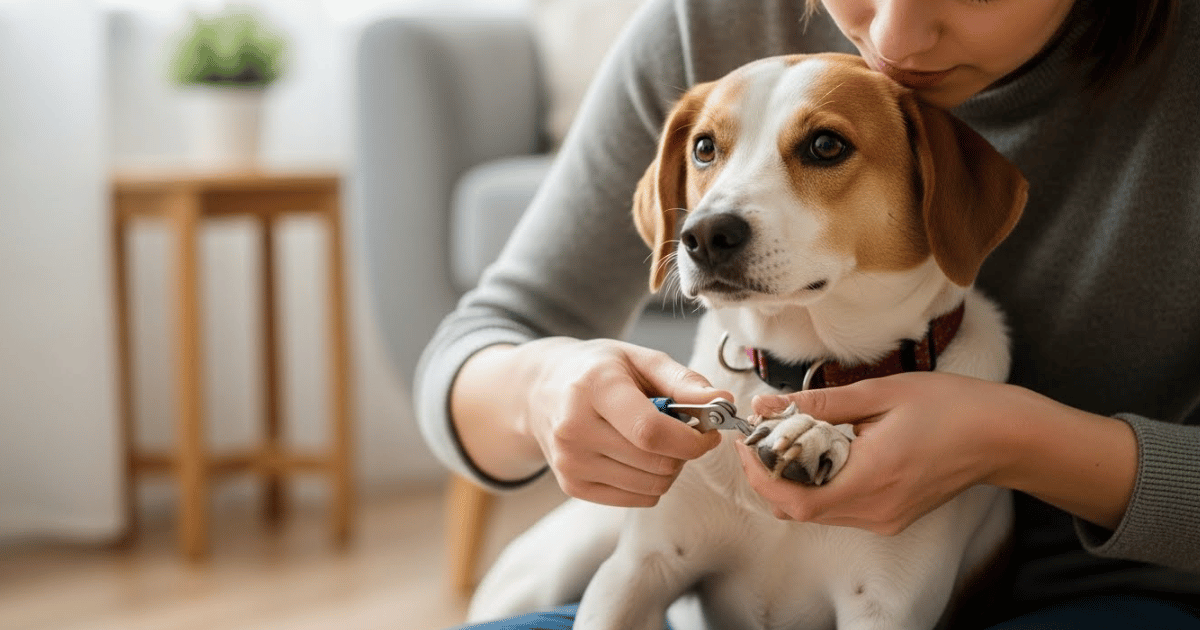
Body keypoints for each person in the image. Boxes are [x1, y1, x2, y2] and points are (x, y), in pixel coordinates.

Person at [414, 0, 1200, 627]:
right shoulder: (712, 23)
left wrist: (1017, 442)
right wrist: (539, 388)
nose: (894, 35)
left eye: (822, 149)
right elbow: (492, 333)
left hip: (1108, 595)